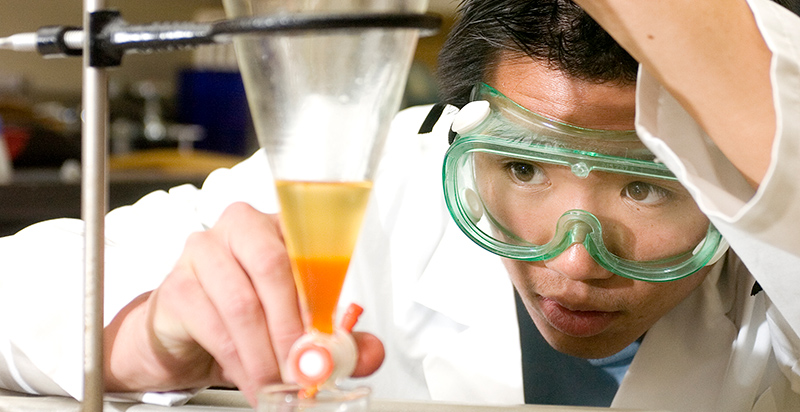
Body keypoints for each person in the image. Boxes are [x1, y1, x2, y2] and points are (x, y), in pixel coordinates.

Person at [1, 0, 799, 411]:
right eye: (522, 169)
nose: (573, 260)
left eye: (645, 186)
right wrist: (139, 333)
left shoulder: (773, 245)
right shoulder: (379, 175)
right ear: (462, 130)